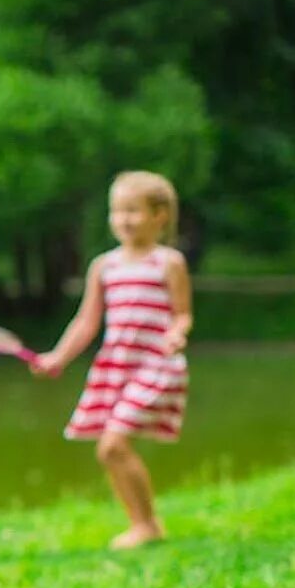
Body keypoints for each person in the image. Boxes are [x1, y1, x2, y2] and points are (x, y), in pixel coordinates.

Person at [32, 171, 192, 550]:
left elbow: (183, 313)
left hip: (155, 365)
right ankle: (142, 524)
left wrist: (177, 333)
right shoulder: (104, 267)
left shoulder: (168, 262)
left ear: (160, 216)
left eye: (133, 211)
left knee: (111, 446)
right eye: (117, 211)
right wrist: (58, 357)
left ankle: (147, 525)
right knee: (110, 450)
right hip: (117, 366)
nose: (123, 219)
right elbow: (86, 322)